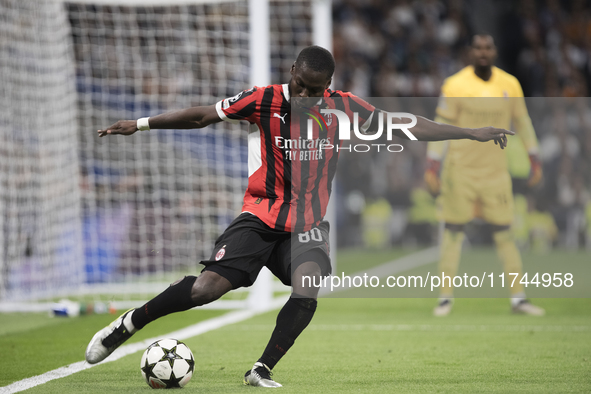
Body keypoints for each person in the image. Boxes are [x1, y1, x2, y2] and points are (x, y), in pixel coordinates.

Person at [85, 45, 513, 387]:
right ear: (292, 71)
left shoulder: (343, 107)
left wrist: (470, 133)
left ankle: (261, 369)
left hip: (306, 225)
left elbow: (404, 124)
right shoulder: (263, 99)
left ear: (329, 85)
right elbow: (201, 117)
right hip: (259, 216)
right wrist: (140, 124)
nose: (305, 95)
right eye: (299, 84)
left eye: (314, 89)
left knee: (309, 286)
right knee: (205, 291)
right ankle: (127, 324)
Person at [424, 35, 545, 317]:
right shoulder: (455, 85)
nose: (482, 52)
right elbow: (441, 126)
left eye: (488, 47)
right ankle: (445, 299)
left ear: (495, 51)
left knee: (505, 234)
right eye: (478, 48)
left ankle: (519, 299)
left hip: (495, 174)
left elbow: (523, 121)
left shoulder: (510, 84)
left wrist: (534, 157)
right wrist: (432, 165)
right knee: (453, 232)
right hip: (460, 172)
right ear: (470, 52)